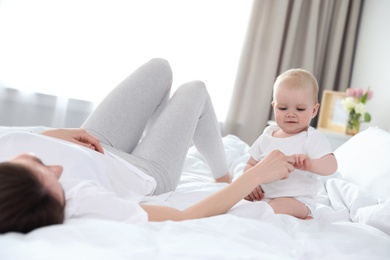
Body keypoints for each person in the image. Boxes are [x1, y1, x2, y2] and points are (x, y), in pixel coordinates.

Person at [0, 58, 295, 234]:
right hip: (143, 171)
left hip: (92, 139)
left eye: (38, 163)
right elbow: (184, 216)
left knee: (159, 68)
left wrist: (57, 133)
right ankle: (222, 176)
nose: (58, 168)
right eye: (57, 182)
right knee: (195, 90)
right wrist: (252, 178)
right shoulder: (81, 201)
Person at [243, 68, 338, 219]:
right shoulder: (267, 135)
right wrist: (251, 182)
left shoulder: (310, 138)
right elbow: (250, 164)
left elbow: (331, 166)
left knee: (274, 208)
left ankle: (293, 214)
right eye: (283, 108)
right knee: (239, 200)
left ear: (314, 110)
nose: (291, 113)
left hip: (297, 200)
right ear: (274, 106)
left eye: (300, 109)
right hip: (263, 195)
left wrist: (310, 164)